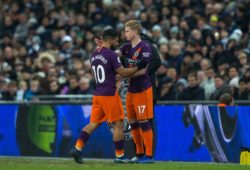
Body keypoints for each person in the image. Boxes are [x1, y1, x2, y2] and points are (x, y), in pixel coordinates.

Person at [69, 28, 147, 164]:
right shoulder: (111, 55)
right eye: (116, 39)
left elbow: (106, 75)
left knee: (93, 123)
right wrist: (137, 67)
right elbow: (122, 71)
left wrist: (115, 78)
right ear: (110, 39)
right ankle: (120, 156)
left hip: (98, 93)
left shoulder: (93, 55)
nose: (118, 41)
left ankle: (77, 148)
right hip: (109, 94)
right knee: (118, 124)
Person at [115, 20, 154, 163]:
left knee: (144, 121)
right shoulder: (126, 47)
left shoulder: (145, 48)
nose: (124, 34)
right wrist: (105, 52)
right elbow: (115, 54)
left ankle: (149, 156)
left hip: (143, 89)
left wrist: (123, 74)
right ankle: (139, 154)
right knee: (132, 122)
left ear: (135, 32)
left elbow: (143, 70)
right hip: (131, 90)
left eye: (126, 31)